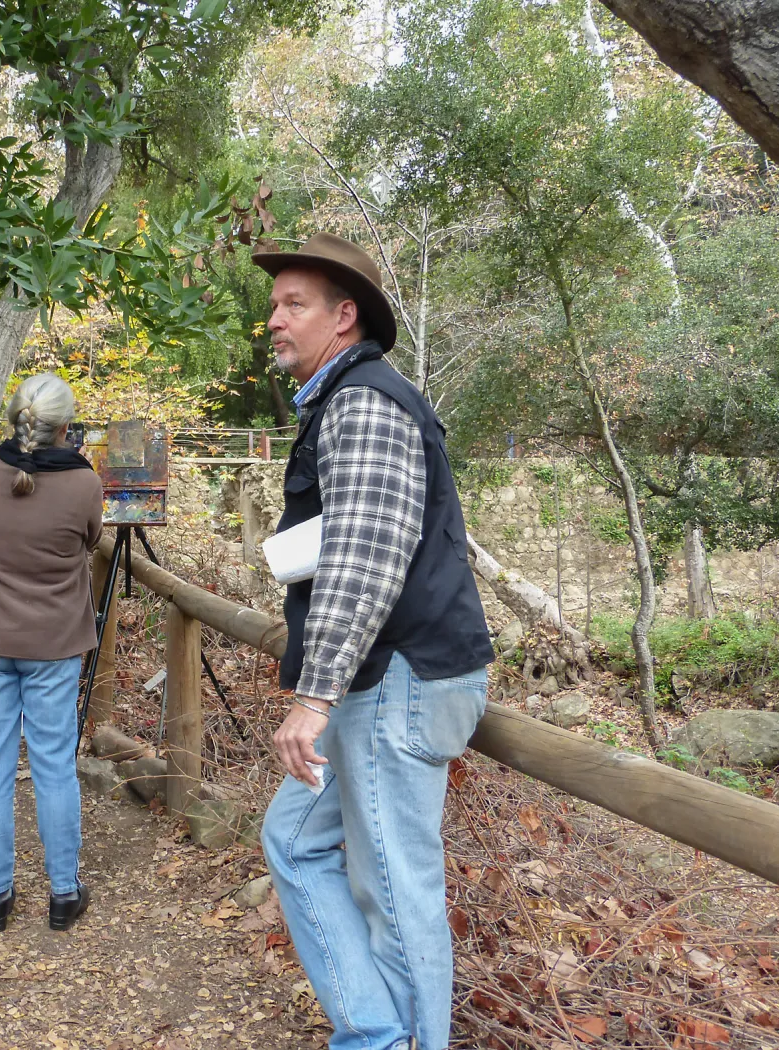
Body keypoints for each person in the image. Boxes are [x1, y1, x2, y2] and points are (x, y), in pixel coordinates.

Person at [252, 234, 495, 1050]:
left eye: (295, 305)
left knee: (395, 891)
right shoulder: (341, 400)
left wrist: (312, 698)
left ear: (344, 315)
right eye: (275, 304)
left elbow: (369, 555)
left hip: (399, 681)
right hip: (381, 679)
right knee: (292, 841)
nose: (274, 320)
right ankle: (377, 1034)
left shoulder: (364, 402)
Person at [0, 372, 102, 934]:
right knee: (53, 764)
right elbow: (87, 541)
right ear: (66, 426)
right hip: (53, 642)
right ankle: (63, 893)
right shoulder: (85, 484)